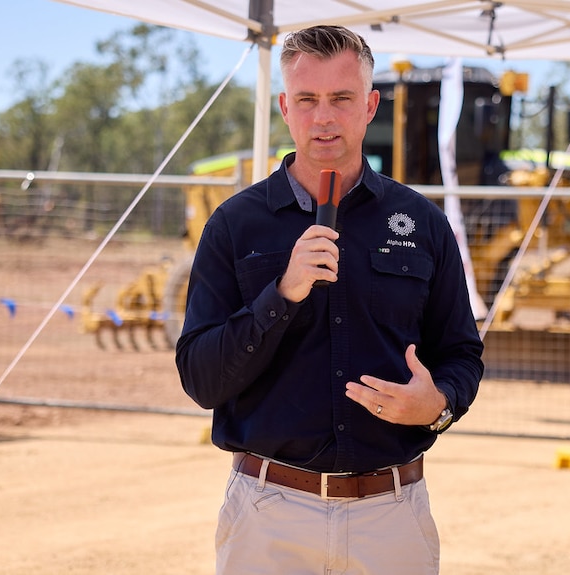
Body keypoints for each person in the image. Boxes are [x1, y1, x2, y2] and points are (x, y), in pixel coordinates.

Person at [176, 25, 484, 574]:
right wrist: (283, 292)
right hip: (269, 518)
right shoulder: (234, 226)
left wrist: (437, 407)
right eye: (307, 100)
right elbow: (201, 380)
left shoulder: (422, 224)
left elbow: (462, 355)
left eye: (341, 98)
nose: (323, 117)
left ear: (369, 106)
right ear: (284, 107)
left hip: (392, 518)